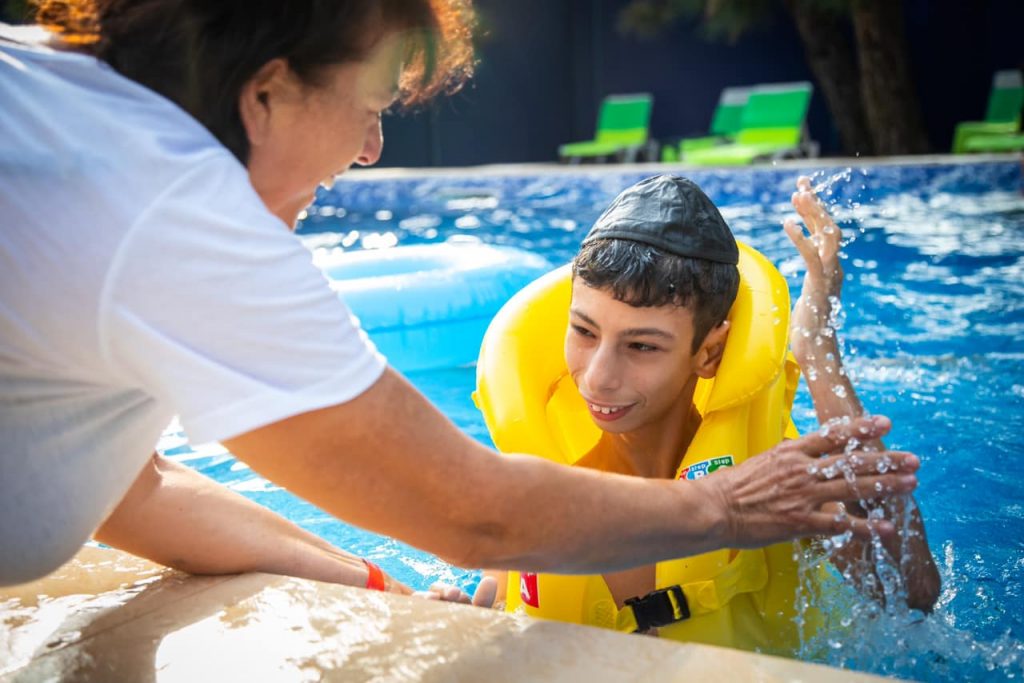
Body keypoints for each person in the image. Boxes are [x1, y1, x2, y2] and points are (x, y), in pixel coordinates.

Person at [0, 1, 920, 598]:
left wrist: (374, 586)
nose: (371, 150)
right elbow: (474, 514)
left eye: (644, 344)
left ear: (708, 350)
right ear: (267, 91)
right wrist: (726, 508)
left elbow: (126, 483)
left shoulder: (54, 98)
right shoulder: (173, 210)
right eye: (371, 104)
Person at [480, 175, 939, 651]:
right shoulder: (528, 496)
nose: (598, 378)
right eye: (584, 331)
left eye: (641, 346)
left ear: (709, 352)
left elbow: (913, 593)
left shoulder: (771, 486)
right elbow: (493, 615)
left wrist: (817, 351)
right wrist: (455, 615)